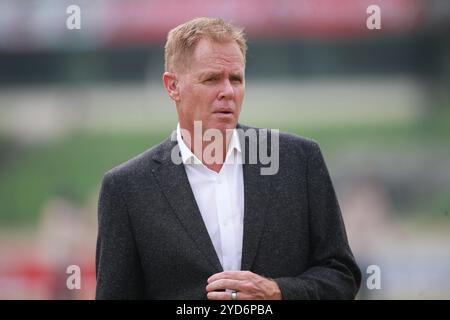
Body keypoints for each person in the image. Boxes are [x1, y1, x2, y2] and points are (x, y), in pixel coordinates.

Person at [95, 17, 361, 300]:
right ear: (172, 86)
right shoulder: (126, 188)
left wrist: (278, 292)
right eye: (212, 79)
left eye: (236, 79)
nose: (228, 92)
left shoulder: (299, 162)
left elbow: (342, 276)